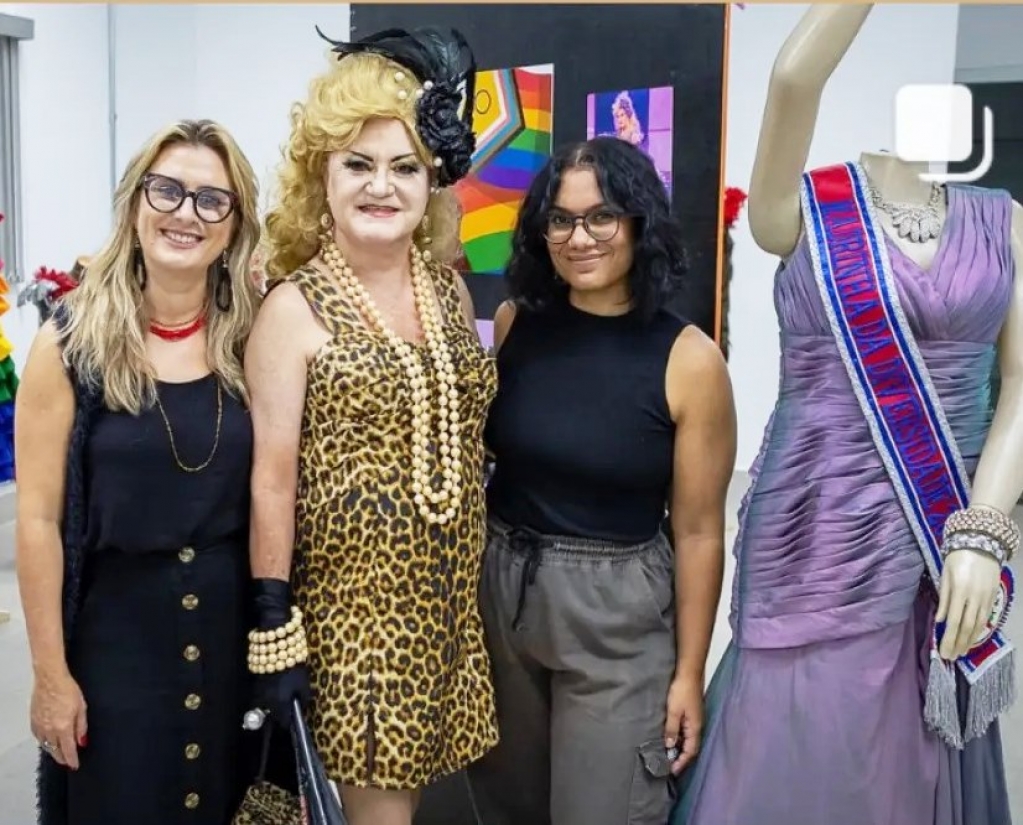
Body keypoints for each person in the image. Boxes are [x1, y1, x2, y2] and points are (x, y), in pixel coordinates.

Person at [673, 6, 1017, 825]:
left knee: (915, 749)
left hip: (944, 538)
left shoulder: (1001, 221)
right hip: (813, 526)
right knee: (800, 743)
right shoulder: (796, 215)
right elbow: (793, 76)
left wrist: (982, 530)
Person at [243, 25, 497, 825]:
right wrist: (272, 618)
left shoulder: (449, 297)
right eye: (358, 164)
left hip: (446, 608)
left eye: (403, 168)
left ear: (430, 184)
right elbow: (271, 477)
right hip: (352, 622)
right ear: (323, 175)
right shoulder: (294, 309)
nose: (380, 186)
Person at [466, 136, 737, 825]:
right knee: (502, 805)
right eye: (560, 219)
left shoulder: (689, 359)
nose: (577, 236)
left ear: (639, 224)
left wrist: (687, 672)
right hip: (502, 588)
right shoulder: (513, 323)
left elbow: (701, 529)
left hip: (616, 610)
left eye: (600, 216)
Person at [15, 118, 262, 825]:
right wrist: (51, 676)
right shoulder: (68, 343)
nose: (186, 213)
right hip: (115, 644)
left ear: (233, 224)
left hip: (232, 641)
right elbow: (35, 521)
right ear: (134, 203)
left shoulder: (254, 340)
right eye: (168, 191)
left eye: (212, 200)